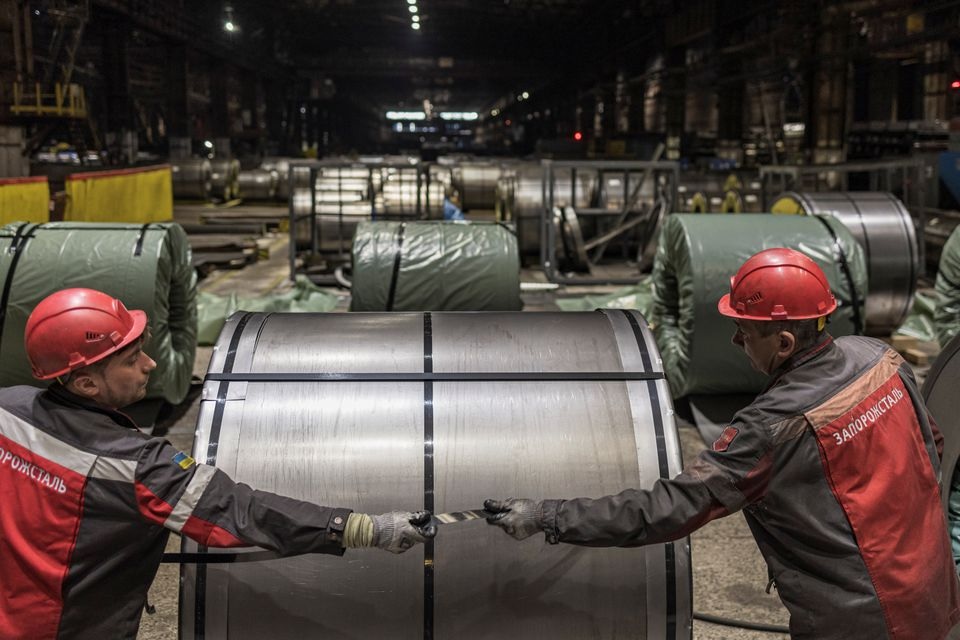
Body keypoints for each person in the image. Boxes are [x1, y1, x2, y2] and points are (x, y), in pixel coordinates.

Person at [485, 248, 960, 639]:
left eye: (745, 331)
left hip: (859, 622)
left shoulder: (770, 426)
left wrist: (549, 516)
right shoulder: (881, 358)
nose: (735, 340)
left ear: (785, 343)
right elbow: (931, 449)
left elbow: (669, 509)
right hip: (932, 590)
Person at [0, 288, 436, 639]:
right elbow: (235, 511)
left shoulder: (7, 409)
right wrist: (359, 527)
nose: (150, 364)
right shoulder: (135, 465)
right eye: (132, 360)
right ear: (86, 382)